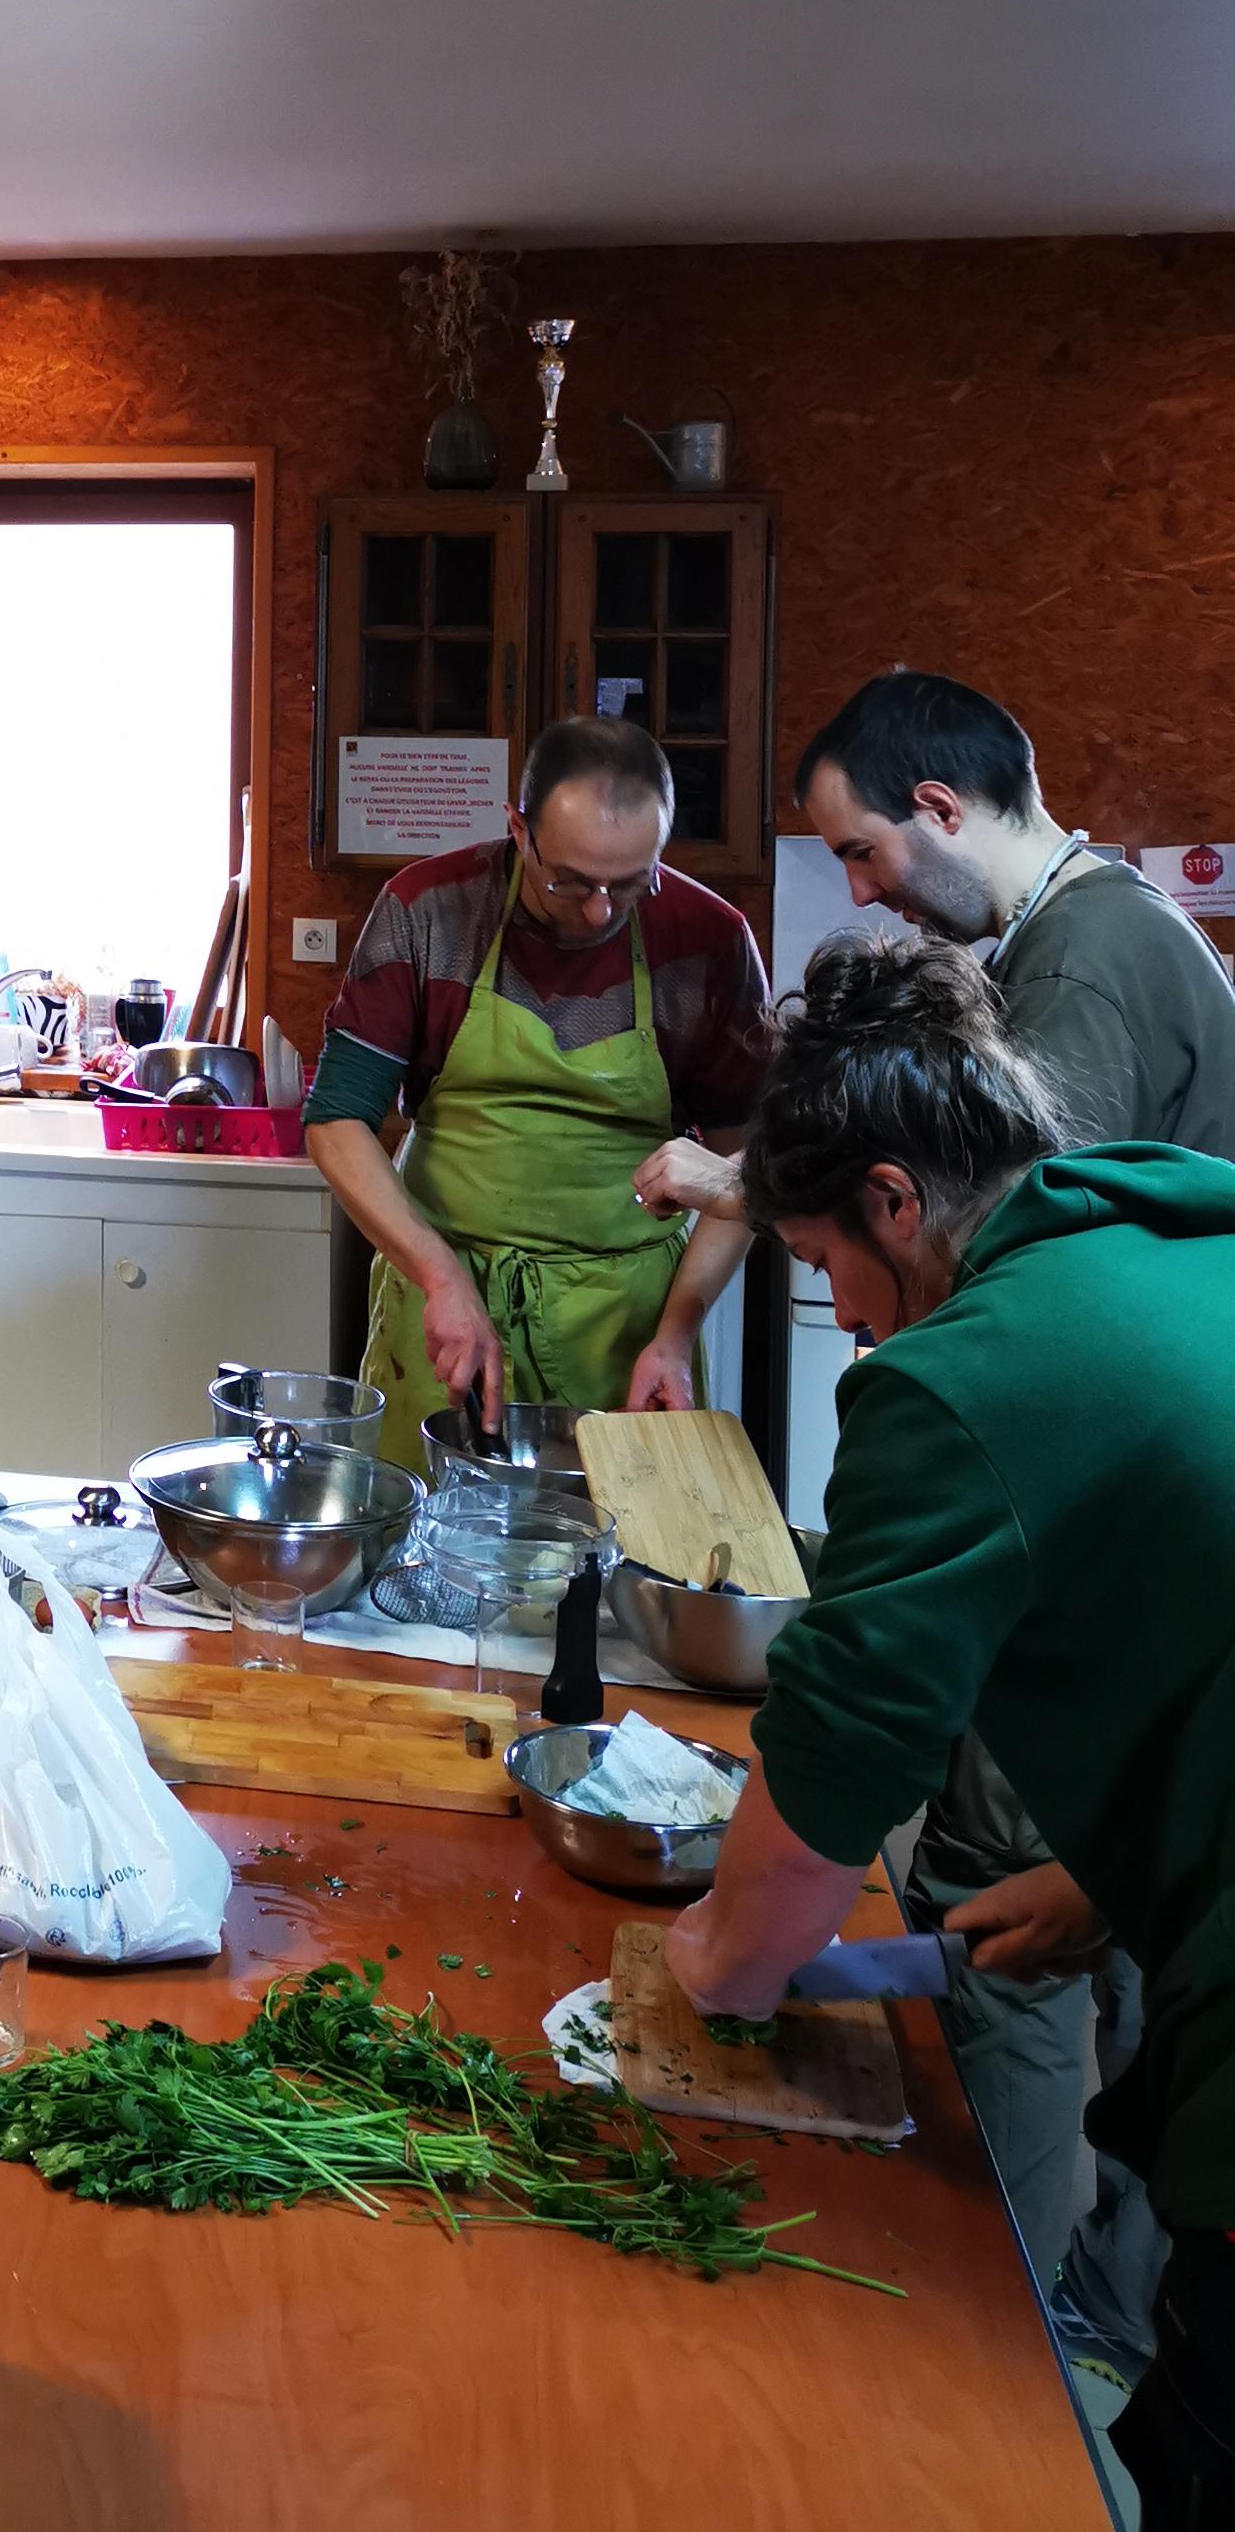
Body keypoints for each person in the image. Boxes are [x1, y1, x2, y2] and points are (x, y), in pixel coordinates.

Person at [640, 667, 1235, 2372]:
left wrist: (723, 1959)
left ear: (896, 1198)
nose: (845, 1316)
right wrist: (1104, 1883)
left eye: (825, 1264)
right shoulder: (1150, 1231)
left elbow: (844, 1739)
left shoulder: (967, 1373)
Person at [302, 716, 771, 1433]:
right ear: (518, 831)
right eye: (571, 882)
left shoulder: (710, 941)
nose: (600, 911)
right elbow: (336, 1120)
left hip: (629, 1328)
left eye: (632, 884)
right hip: (446, 1302)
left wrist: (676, 1333)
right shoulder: (428, 910)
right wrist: (438, 1276)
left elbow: (748, 1167)